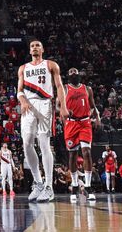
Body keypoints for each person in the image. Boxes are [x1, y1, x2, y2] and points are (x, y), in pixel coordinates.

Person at [17, 38, 68, 203]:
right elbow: (19, 90)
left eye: (37, 45)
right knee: (26, 143)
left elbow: (59, 86)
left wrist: (63, 106)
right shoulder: (23, 68)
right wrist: (23, 101)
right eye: (32, 46)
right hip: (28, 105)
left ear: (43, 49)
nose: (34, 47)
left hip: (45, 104)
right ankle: (38, 182)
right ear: (29, 50)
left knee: (44, 144)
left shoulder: (51, 65)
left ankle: (48, 187)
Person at [64, 67, 100, 201]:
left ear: (78, 75)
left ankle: (88, 186)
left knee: (87, 152)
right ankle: (74, 185)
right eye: (71, 72)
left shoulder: (87, 89)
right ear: (68, 76)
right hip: (71, 123)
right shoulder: (64, 88)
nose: (73, 73)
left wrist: (98, 118)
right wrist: (65, 110)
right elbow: (57, 105)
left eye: (75, 71)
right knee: (73, 154)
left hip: (85, 122)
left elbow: (93, 105)